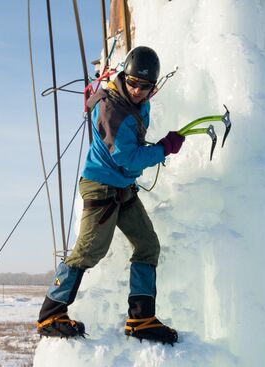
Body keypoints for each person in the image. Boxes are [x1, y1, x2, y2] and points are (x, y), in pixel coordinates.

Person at [36, 46, 184, 345]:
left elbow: (129, 152)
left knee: (147, 245)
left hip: (122, 188)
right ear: (123, 77)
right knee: (89, 251)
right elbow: (128, 158)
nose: (138, 90)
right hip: (101, 187)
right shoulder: (113, 110)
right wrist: (163, 149)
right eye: (132, 83)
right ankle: (50, 315)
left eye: (145, 86)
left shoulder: (137, 102)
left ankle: (141, 318)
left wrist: (158, 147)